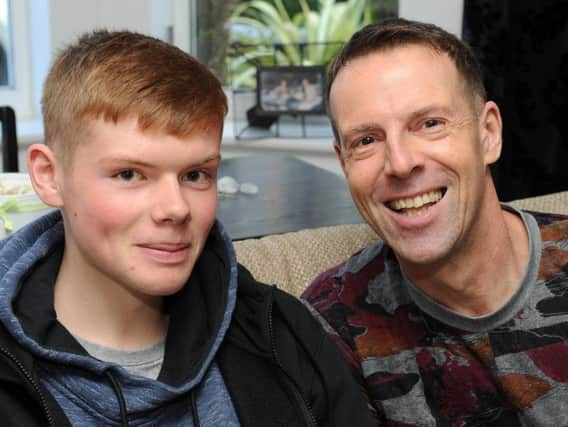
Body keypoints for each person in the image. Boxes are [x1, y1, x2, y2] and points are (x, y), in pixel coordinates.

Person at [0, 30, 375, 426]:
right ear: (48, 175)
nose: (176, 208)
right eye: (129, 174)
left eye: (196, 174)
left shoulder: (281, 333)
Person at [301, 18, 568, 425]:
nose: (401, 163)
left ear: (488, 135)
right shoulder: (329, 325)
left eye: (429, 124)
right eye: (367, 141)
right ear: (343, 163)